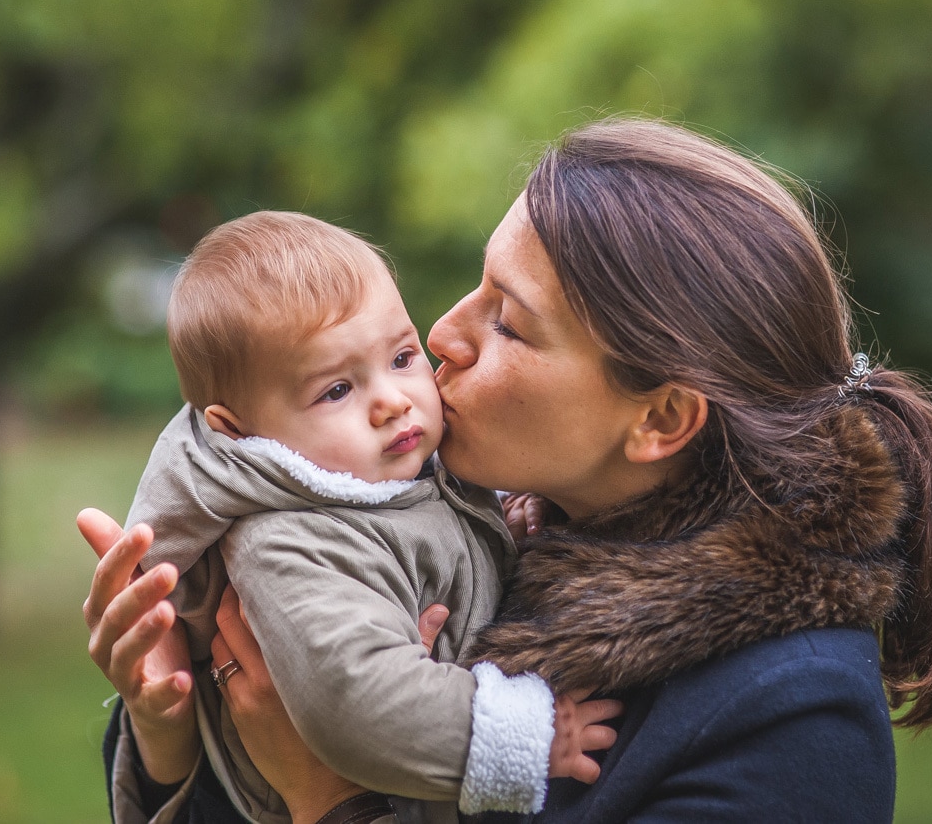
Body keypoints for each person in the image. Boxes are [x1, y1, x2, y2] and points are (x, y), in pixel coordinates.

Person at [83, 117, 932, 823]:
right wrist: (168, 730)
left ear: (662, 418)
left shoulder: (790, 719)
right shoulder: (468, 529)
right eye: (475, 288)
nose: (440, 336)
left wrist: (334, 802)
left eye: (509, 323)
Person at [87, 210, 616, 824]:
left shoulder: (390, 478)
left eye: (401, 357)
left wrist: (510, 519)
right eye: (336, 390)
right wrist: (524, 735)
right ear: (239, 431)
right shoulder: (292, 543)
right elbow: (358, 700)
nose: (392, 401)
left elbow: (452, 534)